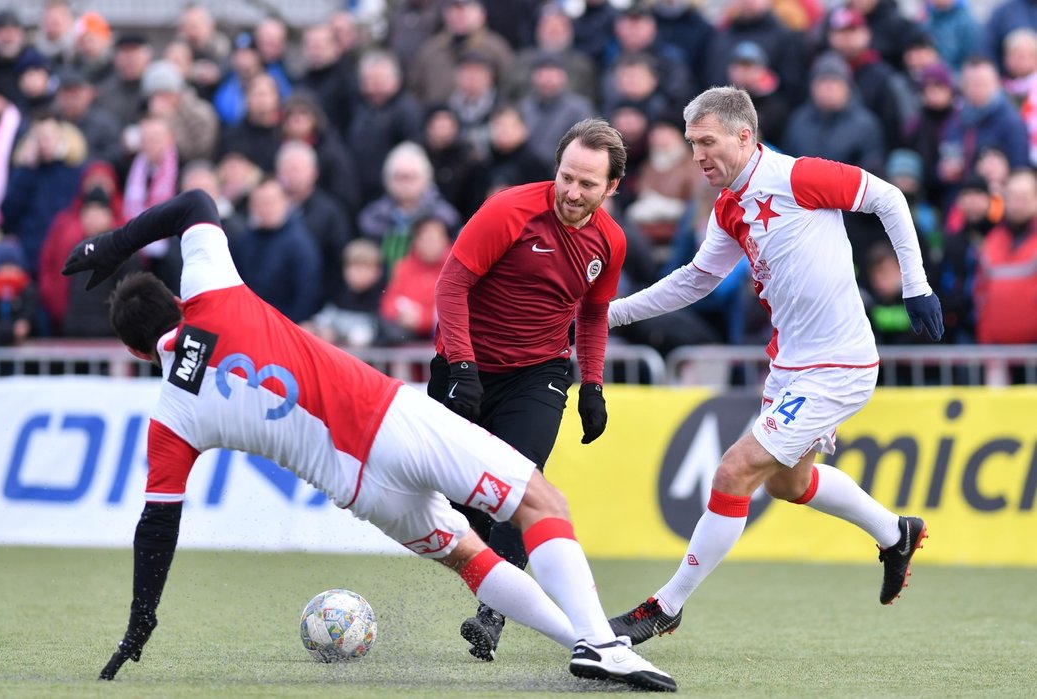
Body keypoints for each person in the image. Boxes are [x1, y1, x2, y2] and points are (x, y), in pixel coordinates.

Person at [59, 189, 675, 692]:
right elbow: (193, 202)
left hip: (358, 490)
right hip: (389, 422)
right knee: (543, 503)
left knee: (471, 559)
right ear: (175, 298)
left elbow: (157, 526)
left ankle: (589, 645)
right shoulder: (212, 292)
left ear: (138, 353)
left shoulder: (172, 418)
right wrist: (111, 245)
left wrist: (141, 622)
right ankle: (604, 646)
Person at [604, 86, 943, 645]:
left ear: (744, 135)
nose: (697, 156)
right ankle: (895, 533)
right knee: (789, 483)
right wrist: (611, 315)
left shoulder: (796, 175)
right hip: (790, 367)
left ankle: (666, 605)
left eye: (706, 142)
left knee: (734, 472)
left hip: (839, 365)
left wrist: (916, 287)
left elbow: (888, 198)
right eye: (691, 144)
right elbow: (696, 279)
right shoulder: (727, 207)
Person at [427, 117, 626, 661]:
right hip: (462, 367)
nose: (572, 191)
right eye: (566, 177)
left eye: (588, 184)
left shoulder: (610, 242)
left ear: (611, 188)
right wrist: (463, 365)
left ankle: (493, 615)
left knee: (518, 487)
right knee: (452, 502)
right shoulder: (508, 211)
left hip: (538, 374)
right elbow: (452, 283)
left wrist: (592, 386)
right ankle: (486, 571)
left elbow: (592, 316)